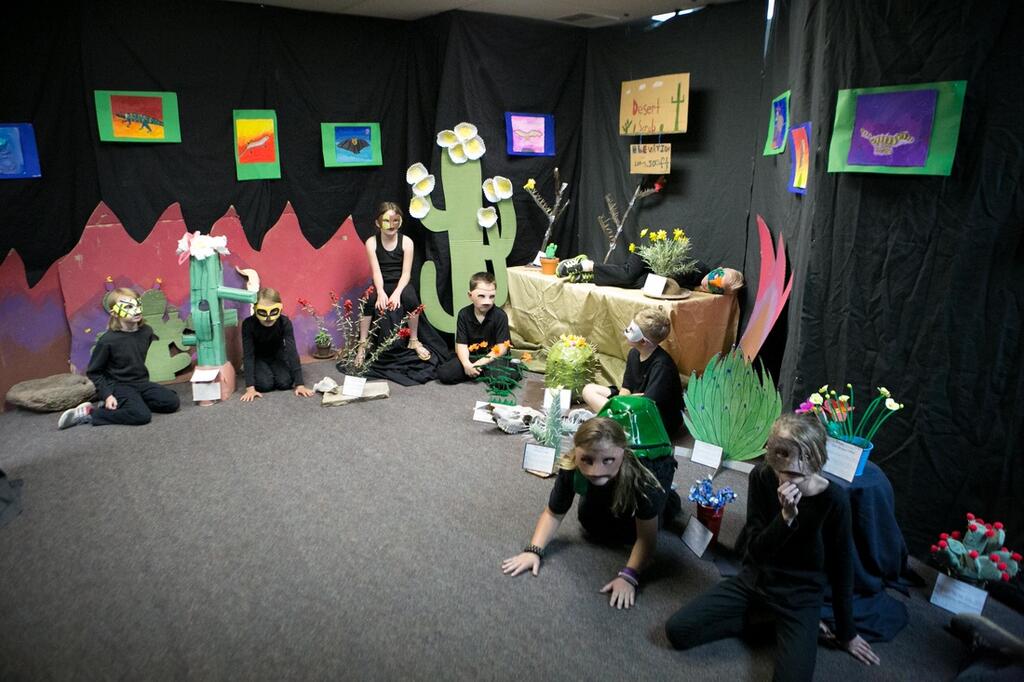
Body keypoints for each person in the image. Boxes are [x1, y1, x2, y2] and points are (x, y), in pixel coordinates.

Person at [665, 412, 880, 680]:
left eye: (804, 457)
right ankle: (767, 622)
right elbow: (754, 551)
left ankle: (783, 623)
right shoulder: (762, 477)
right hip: (756, 582)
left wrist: (847, 634)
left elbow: (842, 567)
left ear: (817, 457)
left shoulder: (833, 499)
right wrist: (785, 518)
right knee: (678, 631)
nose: (793, 468)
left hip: (800, 598)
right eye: (783, 456)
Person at [501, 416, 671, 609]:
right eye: (587, 460)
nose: (595, 471)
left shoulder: (644, 479)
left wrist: (629, 576)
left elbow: (646, 539)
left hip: (645, 477)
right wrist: (534, 550)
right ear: (576, 453)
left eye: (608, 460)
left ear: (622, 454)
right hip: (611, 483)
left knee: (637, 530)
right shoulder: (571, 464)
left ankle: (669, 499)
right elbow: (553, 513)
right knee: (589, 521)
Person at [58, 287, 180, 428]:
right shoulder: (107, 341)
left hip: (141, 382)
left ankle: (125, 404)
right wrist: (107, 394)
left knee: (171, 402)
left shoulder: (146, 332)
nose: (136, 310)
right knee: (141, 416)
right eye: (128, 307)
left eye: (137, 304)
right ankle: (90, 413)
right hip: (118, 385)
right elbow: (94, 372)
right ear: (114, 313)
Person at [581, 307, 683, 437]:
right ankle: (616, 421)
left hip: (654, 417)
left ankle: (615, 422)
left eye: (632, 331)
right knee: (589, 390)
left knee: (628, 411)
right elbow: (627, 387)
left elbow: (647, 402)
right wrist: (620, 401)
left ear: (643, 341)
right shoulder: (634, 353)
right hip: (632, 402)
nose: (626, 332)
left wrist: (621, 403)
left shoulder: (662, 365)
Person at [358, 202, 429, 365]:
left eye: (395, 220)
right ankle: (362, 344)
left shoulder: (407, 242)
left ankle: (414, 340)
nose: (391, 225)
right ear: (378, 223)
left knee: (411, 298)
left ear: (400, 221)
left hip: (400, 283)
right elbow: (376, 272)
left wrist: (397, 293)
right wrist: (380, 292)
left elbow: (406, 273)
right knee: (368, 300)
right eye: (386, 221)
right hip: (381, 282)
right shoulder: (371, 242)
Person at [239, 287, 314, 402]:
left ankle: (271, 370)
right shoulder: (248, 324)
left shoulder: (284, 322)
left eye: (273, 311)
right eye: (263, 312)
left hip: (278, 356)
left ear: (280, 309)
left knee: (285, 383)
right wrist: (250, 388)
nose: (268, 318)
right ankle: (254, 370)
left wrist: (300, 384)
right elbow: (248, 354)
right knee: (265, 385)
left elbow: (292, 351)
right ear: (255, 309)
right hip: (258, 358)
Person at [437, 271, 510, 384]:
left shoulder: (500, 316)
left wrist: (478, 364)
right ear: (470, 295)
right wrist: (466, 364)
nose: (487, 302)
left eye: (491, 297)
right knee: (445, 373)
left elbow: (502, 348)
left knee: (501, 379)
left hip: (493, 357)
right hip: (472, 355)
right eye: (481, 296)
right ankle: (475, 371)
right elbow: (461, 345)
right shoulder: (464, 314)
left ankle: (478, 371)